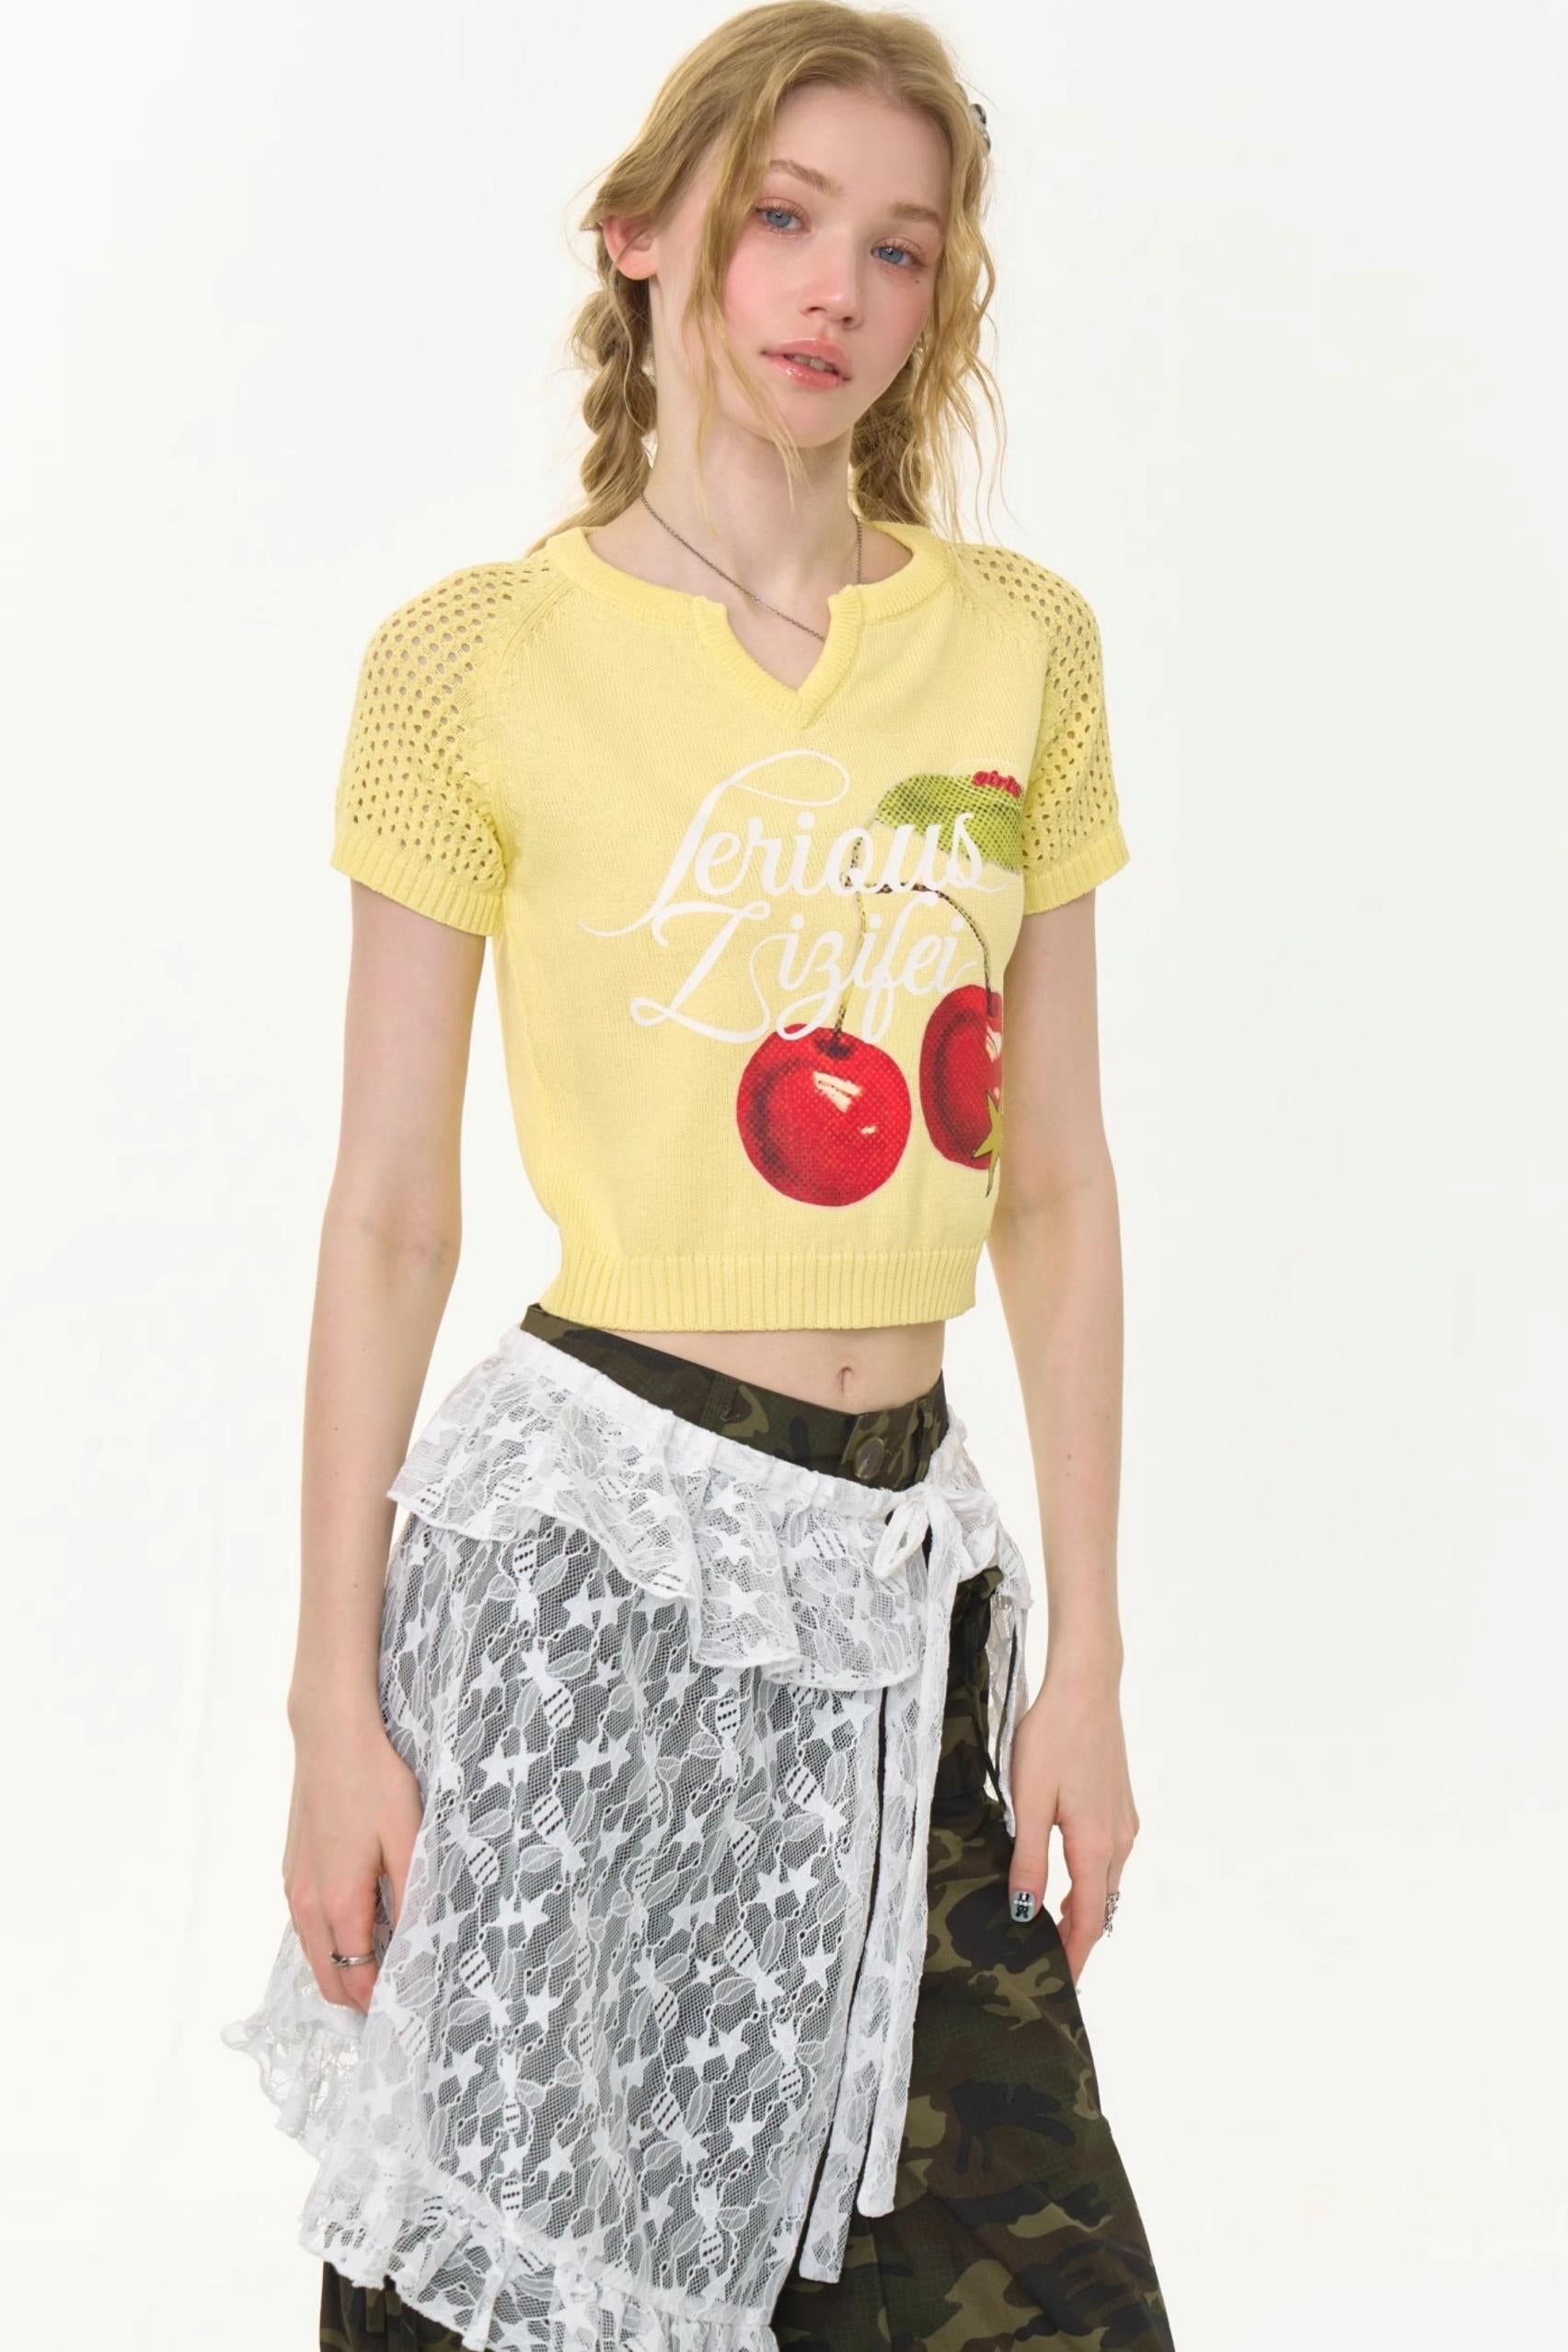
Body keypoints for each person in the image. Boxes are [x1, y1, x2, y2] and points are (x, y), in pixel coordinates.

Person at [221, 7, 1175, 2346]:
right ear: (644, 235)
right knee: (519, 2277)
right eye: (783, 217)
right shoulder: (470, 665)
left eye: (899, 247)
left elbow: (1052, 1188)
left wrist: (1088, 1657)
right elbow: (389, 1213)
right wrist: (332, 1705)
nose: (836, 289)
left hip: (900, 1586)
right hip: (587, 1574)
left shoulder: (1016, 651)